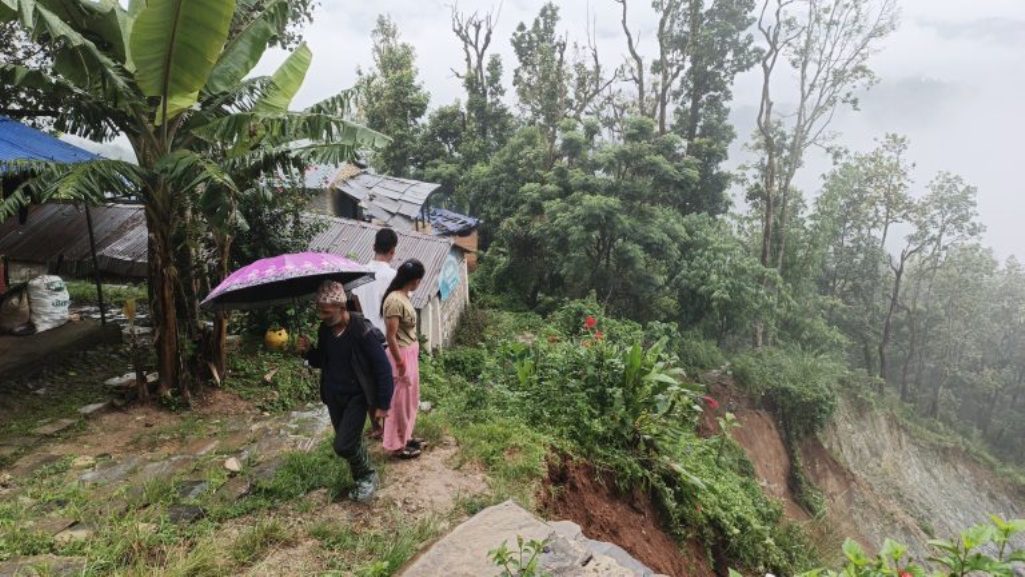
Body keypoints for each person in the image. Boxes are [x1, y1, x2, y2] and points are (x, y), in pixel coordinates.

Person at [299, 280, 393, 502]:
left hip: (357, 396)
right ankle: (362, 478)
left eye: (326, 311)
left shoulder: (363, 331)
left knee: (343, 445)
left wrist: (383, 404)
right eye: (319, 311)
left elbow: (382, 368)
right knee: (350, 440)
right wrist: (307, 352)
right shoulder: (325, 330)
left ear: (342, 307)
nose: (322, 316)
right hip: (334, 395)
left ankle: (369, 474)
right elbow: (322, 360)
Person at [381, 259, 426, 459]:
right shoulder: (394, 301)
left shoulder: (404, 296)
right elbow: (390, 336)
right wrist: (400, 364)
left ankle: (405, 436)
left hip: (409, 352)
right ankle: (396, 445)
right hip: (401, 355)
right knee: (399, 402)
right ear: (415, 280)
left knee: (410, 399)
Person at [352, 228, 399, 333]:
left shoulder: (359, 273)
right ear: (393, 251)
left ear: (374, 247)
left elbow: (357, 305)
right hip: (386, 339)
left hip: (365, 336)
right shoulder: (394, 277)